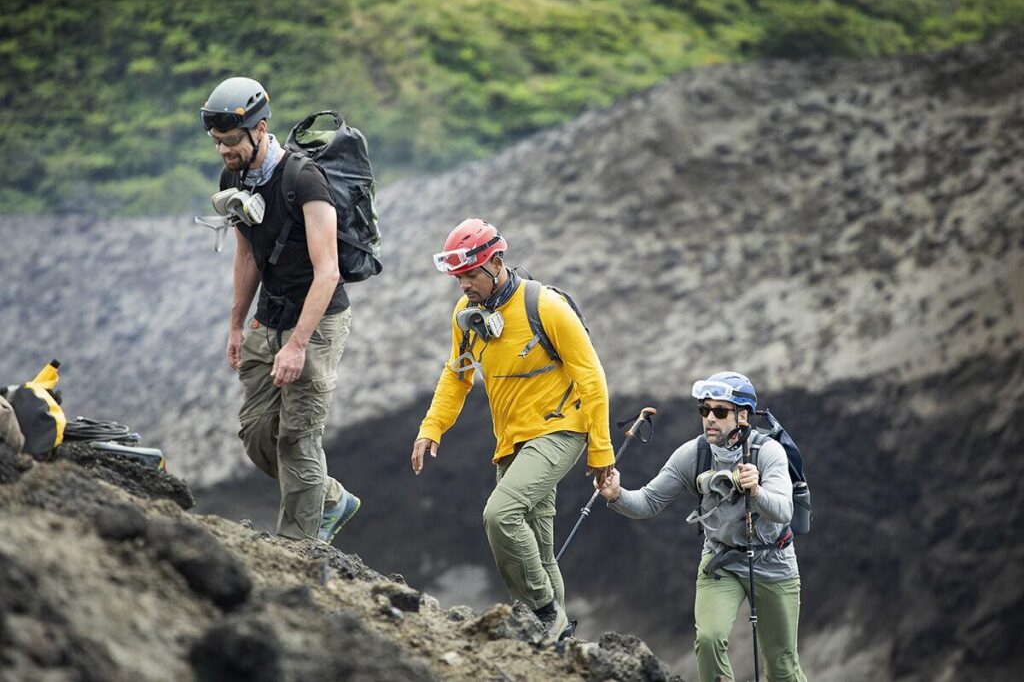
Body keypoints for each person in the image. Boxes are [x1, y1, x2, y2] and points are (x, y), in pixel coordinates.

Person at [410, 218, 615, 641]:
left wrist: (602, 453)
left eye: (470, 274)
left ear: (497, 262)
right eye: (458, 277)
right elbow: (457, 375)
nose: (463, 285)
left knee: (500, 515)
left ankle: (542, 614)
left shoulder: (546, 307)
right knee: (540, 550)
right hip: (511, 442)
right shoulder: (466, 315)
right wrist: (431, 427)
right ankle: (560, 642)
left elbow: (592, 379)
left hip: (561, 430)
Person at [201, 76, 360, 544]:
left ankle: (298, 547)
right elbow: (247, 255)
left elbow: (328, 272)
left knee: (297, 436)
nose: (223, 151)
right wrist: (234, 326)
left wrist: (297, 345)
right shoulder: (234, 176)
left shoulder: (305, 179)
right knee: (256, 433)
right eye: (217, 142)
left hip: (319, 319)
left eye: (230, 141)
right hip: (268, 317)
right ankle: (330, 498)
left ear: (260, 129)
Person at [598, 372, 807, 682]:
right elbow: (648, 502)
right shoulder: (692, 454)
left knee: (781, 665)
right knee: (709, 640)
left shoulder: (769, 453)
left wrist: (757, 492)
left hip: (774, 563)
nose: (709, 418)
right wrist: (616, 495)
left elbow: (783, 512)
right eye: (704, 410)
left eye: (720, 412)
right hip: (720, 560)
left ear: (743, 416)